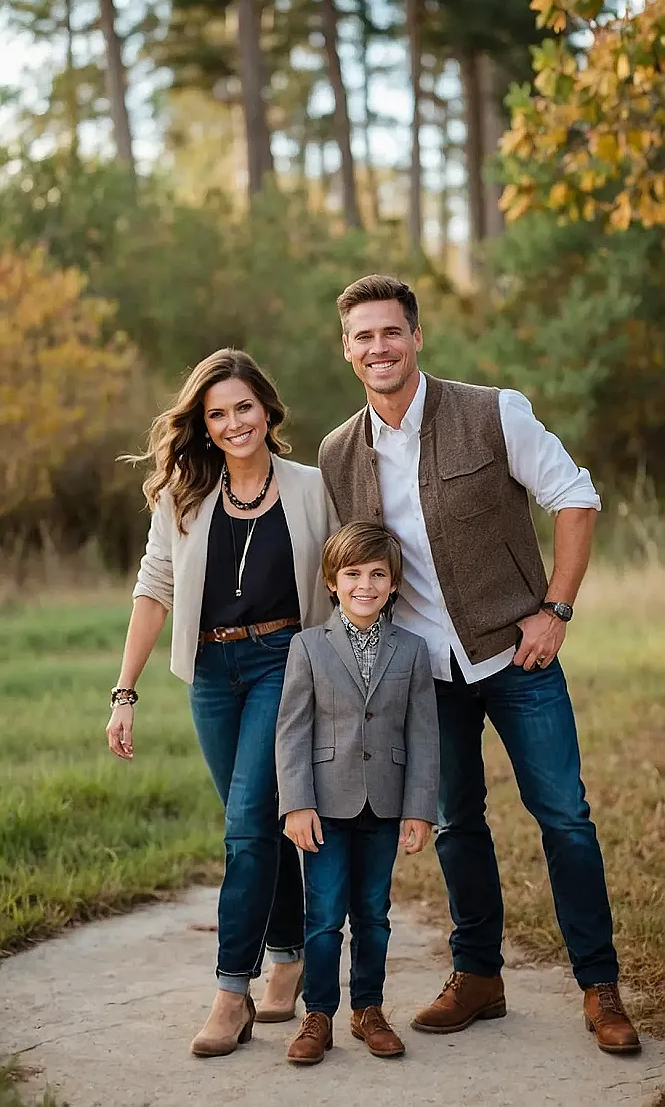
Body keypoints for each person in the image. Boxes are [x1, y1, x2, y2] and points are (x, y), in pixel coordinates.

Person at [318, 274, 641, 1056]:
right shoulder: (337, 453)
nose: (378, 347)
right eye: (363, 336)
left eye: (390, 331)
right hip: (423, 673)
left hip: (516, 654)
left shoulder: (493, 411)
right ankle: (478, 978)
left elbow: (575, 496)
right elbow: (351, 570)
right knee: (459, 823)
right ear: (346, 349)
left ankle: (599, 987)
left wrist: (555, 608)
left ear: (415, 337)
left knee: (563, 817)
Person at [106, 348, 337, 1058]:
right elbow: (154, 588)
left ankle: (229, 992)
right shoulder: (184, 497)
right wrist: (124, 690)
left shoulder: (311, 487)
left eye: (243, 407)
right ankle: (289, 954)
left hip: (284, 664)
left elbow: (349, 573)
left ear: (267, 410)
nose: (233, 422)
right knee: (256, 825)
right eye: (217, 413)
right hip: (211, 670)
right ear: (202, 426)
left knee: (243, 826)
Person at [276, 521, 439, 1065]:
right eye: (352, 574)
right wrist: (296, 803)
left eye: (377, 574)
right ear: (332, 581)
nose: (364, 584)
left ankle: (368, 1009)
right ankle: (317, 1014)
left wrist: (419, 809)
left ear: (393, 584)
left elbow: (422, 734)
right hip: (323, 805)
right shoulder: (307, 647)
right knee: (323, 916)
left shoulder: (413, 651)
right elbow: (293, 730)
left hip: (386, 805)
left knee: (373, 913)